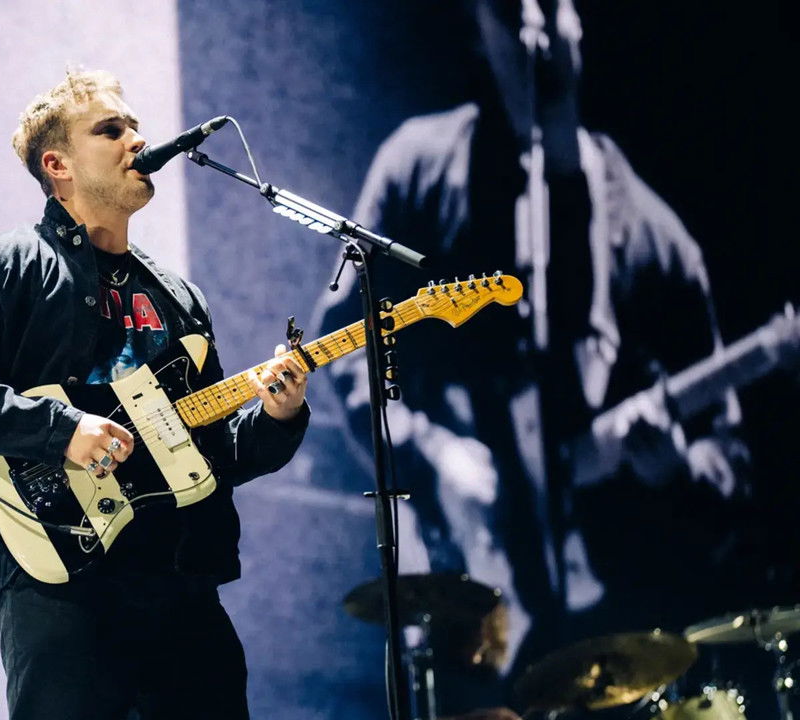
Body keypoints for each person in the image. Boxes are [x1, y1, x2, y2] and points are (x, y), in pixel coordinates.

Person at [313, 0, 745, 681]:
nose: (535, 29)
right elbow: (341, 353)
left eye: (552, 7)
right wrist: (433, 452)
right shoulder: (417, 169)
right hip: (462, 605)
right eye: (512, 11)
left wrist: (679, 468)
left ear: (581, 26)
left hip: (619, 626)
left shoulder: (653, 237)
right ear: (478, 31)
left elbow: (729, 456)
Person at [0, 70, 311, 720]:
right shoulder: (4, 265)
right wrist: (63, 431)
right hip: (60, 574)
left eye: (135, 127)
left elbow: (209, 456)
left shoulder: (178, 296)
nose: (137, 140)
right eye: (111, 129)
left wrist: (280, 417)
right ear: (56, 164)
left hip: (178, 578)